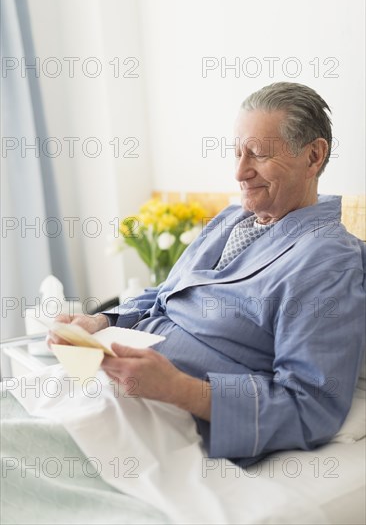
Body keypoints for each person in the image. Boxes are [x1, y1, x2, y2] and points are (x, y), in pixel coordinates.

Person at [49, 81, 366, 468]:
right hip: (111, 387)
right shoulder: (232, 219)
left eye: (259, 155)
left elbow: (310, 405)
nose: (239, 172)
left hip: (172, 420)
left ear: (314, 156)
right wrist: (99, 321)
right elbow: (166, 292)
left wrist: (181, 390)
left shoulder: (327, 258)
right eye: (236, 153)